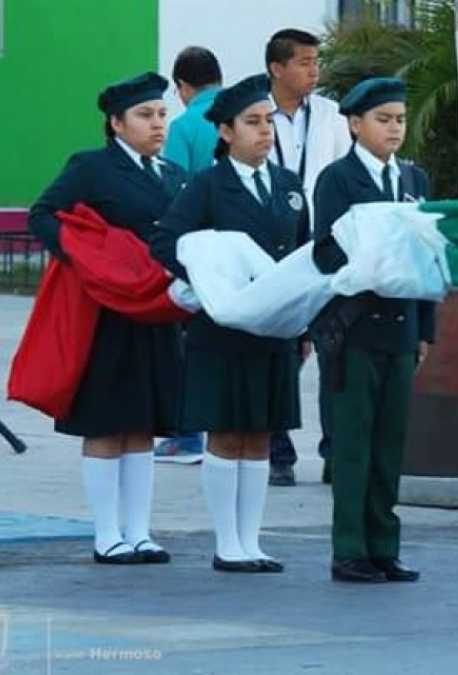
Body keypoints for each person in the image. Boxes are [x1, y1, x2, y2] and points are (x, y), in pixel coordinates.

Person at [152, 74, 310, 573]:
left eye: (269, 122)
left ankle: (251, 540)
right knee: (226, 433)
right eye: (253, 122)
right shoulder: (206, 186)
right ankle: (227, 543)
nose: (265, 131)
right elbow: (167, 243)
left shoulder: (288, 186)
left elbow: (303, 255)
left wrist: (304, 325)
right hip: (222, 332)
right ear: (226, 131)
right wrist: (209, 281)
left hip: (274, 331)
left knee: (260, 434)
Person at [28, 72, 184, 565]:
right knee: (107, 422)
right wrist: (90, 261)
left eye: (162, 114)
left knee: (143, 424)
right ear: (116, 123)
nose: (157, 124)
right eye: (145, 115)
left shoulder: (173, 174)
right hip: (107, 313)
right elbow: (43, 214)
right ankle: (106, 534)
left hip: (156, 312)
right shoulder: (91, 168)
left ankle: (138, 531)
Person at [312, 77, 434, 584]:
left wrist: (425, 329)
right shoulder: (338, 179)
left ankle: (384, 545)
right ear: (355, 124)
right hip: (355, 329)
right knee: (353, 443)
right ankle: (350, 548)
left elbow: (426, 256)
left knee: (390, 444)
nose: (394, 129)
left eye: (400, 119)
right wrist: (371, 258)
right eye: (383, 120)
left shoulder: (413, 178)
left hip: (401, 329)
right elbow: (325, 250)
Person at [263, 28, 354, 487]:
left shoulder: (331, 116)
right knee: (279, 353)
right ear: (277, 68)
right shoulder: (256, 115)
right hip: (273, 247)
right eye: (304, 62)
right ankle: (278, 452)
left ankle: (334, 451)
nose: (314, 70)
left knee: (330, 349)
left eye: (316, 61)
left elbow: (341, 174)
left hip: (323, 245)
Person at [151, 45, 223, 465]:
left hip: (197, 251)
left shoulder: (183, 127)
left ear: (182, 86)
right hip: (243, 249)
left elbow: (172, 191)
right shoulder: (246, 117)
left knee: (188, 345)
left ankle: (188, 435)